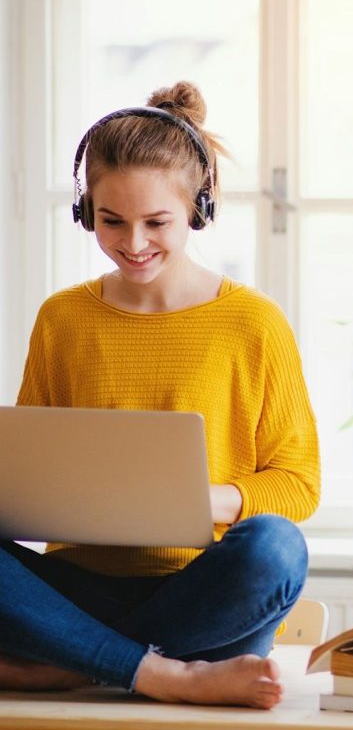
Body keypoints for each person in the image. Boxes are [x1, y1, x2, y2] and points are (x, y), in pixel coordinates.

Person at [0, 81, 321, 708]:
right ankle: (160, 673)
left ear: (197, 210)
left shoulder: (253, 323)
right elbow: (27, 473)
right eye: (110, 220)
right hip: (76, 591)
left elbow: (299, 483)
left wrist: (201, 500)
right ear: (83, 209)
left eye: (157, 222)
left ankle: (72, 662)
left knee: (277, 548)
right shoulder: (62, 319)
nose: (133, 242)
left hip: (205, 593)